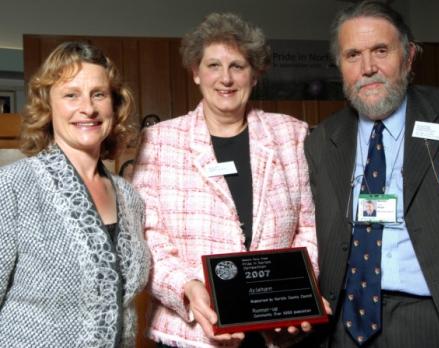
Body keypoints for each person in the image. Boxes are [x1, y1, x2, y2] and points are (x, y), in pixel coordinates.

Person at [132, 12, 326, 348]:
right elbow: (148, 236)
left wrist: (296, 292)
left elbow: (309, 226)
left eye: (237, 66)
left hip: (276, 330)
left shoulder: (291, 134)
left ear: (255, 75)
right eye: (213, 66)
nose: (226, 78)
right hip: (192, 334)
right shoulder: (160, 141)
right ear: (195, 72)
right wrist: (187, 288)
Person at [304, 1, 439, 347]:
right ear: (340, 66)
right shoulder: (321, 141)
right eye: (353, 55)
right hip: (344, 324)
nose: (368, 68)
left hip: (437, 322)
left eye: (381, 51)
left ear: (408, 56)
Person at [0, 41, 150, 347]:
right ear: (47, 105)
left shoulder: (130, 198)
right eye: (71, 95)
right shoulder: (13, 186)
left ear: (114, 105)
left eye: (99, 94)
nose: (89, 108)